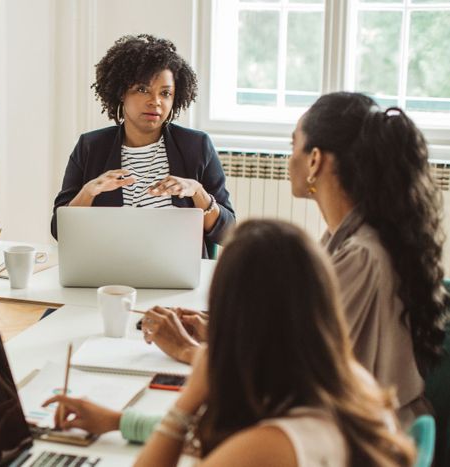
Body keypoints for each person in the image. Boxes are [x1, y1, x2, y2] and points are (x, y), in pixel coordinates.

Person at [145, 92, 448, 426]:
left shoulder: (362, 256)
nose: (289, 160)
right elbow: (298, 339)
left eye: (293, 146)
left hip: (365, 438)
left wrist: (188, 350)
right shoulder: (342, 237)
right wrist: (218, 333)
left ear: (315, 160)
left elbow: (294, 376)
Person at [46, 220, 415, 466]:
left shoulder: (271, 447)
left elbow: (244, 448)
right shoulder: (350, 384)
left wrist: (190, 397)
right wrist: (119, 421)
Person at [50, 34, 234, 257]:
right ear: (121, 93)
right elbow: (60, 230)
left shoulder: (196, 146)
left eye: (165, 93)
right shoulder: (90, 147)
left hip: (177, 275)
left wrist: (198, 192)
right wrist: (88, 192)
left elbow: (228, 233)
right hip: (109, 274)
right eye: (142, 89)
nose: (155, 101)